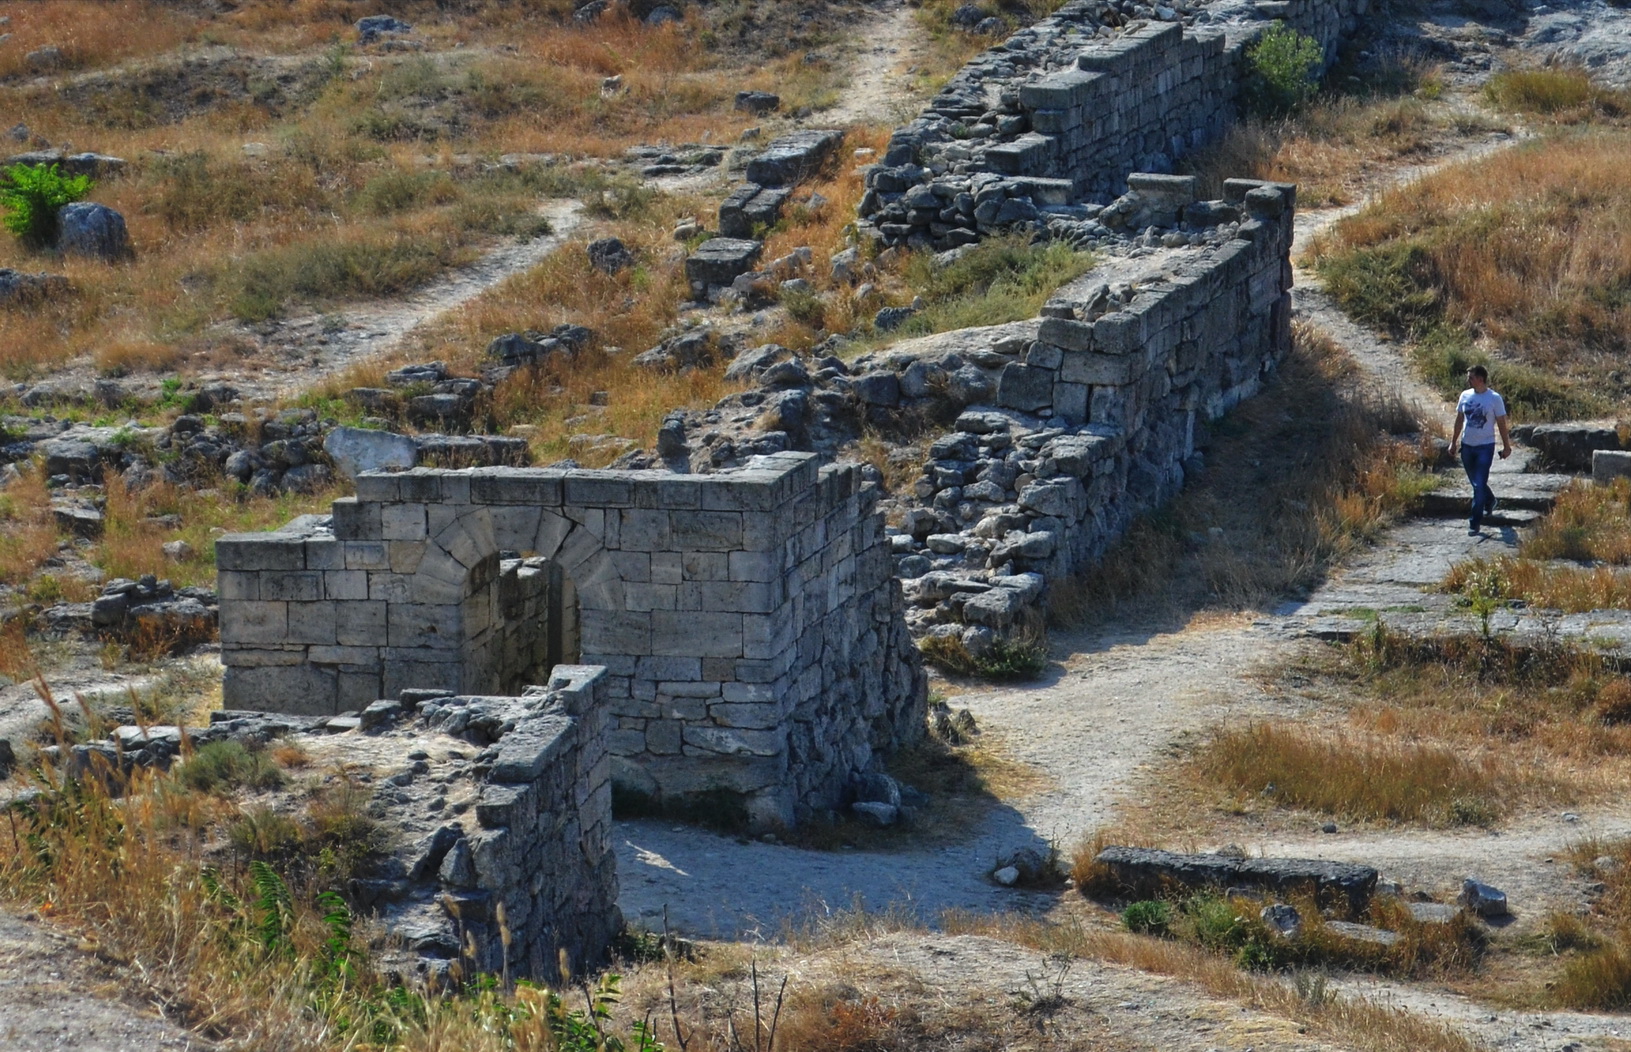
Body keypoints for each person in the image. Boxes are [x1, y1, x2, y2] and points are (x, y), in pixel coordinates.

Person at [1448, 365, 1512, 535]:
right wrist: (1453, 442)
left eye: (1471, 377)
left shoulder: (1494, 398)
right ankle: (1490, 500)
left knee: (1478, 484)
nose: (1468, 380)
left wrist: (1506, 446)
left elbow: (1501, 423)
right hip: (1467, 446)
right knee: (1477, 482)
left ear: (1481, 379)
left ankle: (1474, 522)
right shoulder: (1465, 396)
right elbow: (1459, 420)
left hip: (1485, 446)